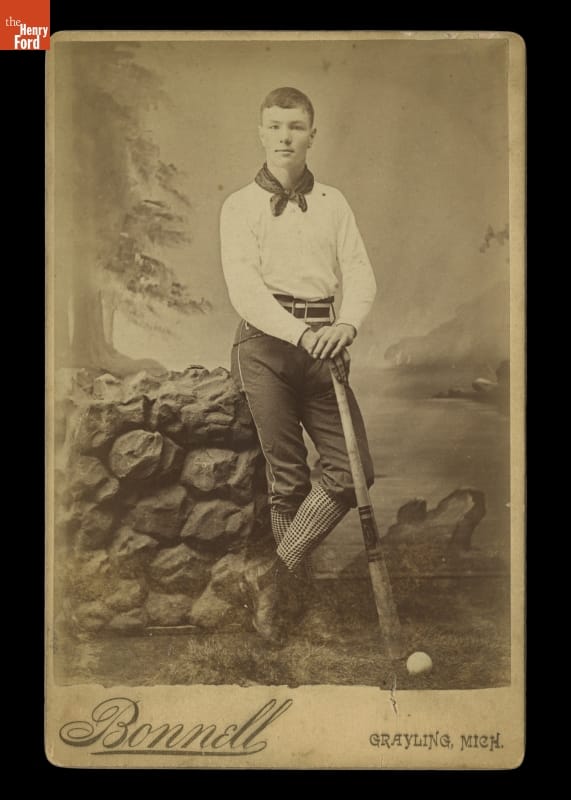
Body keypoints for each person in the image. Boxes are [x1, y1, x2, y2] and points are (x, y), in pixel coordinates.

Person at [220, 87, 376, 644]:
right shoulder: (238, 205)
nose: (285, 136)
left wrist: (346, 326)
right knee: (287, 480)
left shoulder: (334, 202)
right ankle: (296, 608)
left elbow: (358, 273)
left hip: (324, 346)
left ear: (313, 133)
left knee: (351, 472)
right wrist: (303, 334)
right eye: (275, 126)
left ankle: (271, 579)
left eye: (296, 126)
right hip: (265, 346)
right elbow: (246, 292)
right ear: (261, 133)